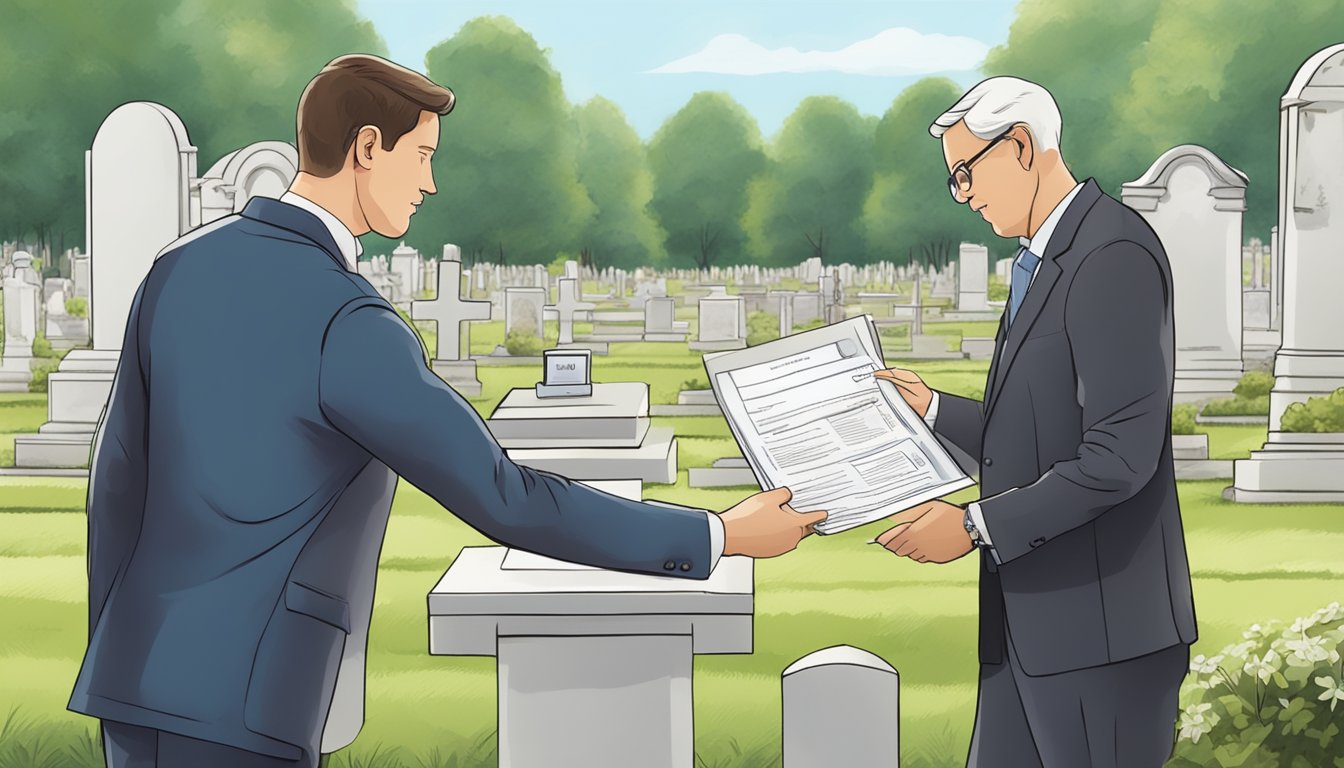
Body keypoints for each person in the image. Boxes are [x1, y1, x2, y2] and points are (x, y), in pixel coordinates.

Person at [68, 54, 826, 768]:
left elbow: (117, 483)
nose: (428, 183)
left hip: (132, 682)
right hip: (251, 694)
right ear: (368, 147)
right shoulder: (345, 321)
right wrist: (719, 534)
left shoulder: (179, 269)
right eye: (422, 155)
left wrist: (121, 647)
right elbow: (504, 496)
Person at [871, 77, 1196, 767]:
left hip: (1104, 640)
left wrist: (969, 526)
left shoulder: (1112, 254)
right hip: (1027, 631)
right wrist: (929, 407)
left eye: (965, 173)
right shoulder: (1046, 258)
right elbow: (1035, 432)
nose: (963, 195)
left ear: (1020, 145)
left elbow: (1117, 458)